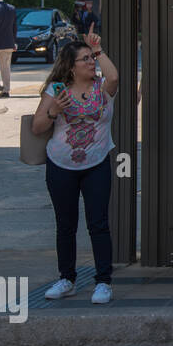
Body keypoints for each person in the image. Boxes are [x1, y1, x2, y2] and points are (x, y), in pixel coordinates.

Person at [31, 31, 119, 304]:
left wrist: (98, 48)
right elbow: (37, 128)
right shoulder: (56, 90)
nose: (91, 63)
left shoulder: (103, 87)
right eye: (85, 60)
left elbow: (114, 76)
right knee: (65, 225)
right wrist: (53, 111)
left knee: (99, 224)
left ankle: (103, 282)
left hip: (97, 163)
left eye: (92, 59)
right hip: (61, 165)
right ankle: (66, 279)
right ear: (71, 66)